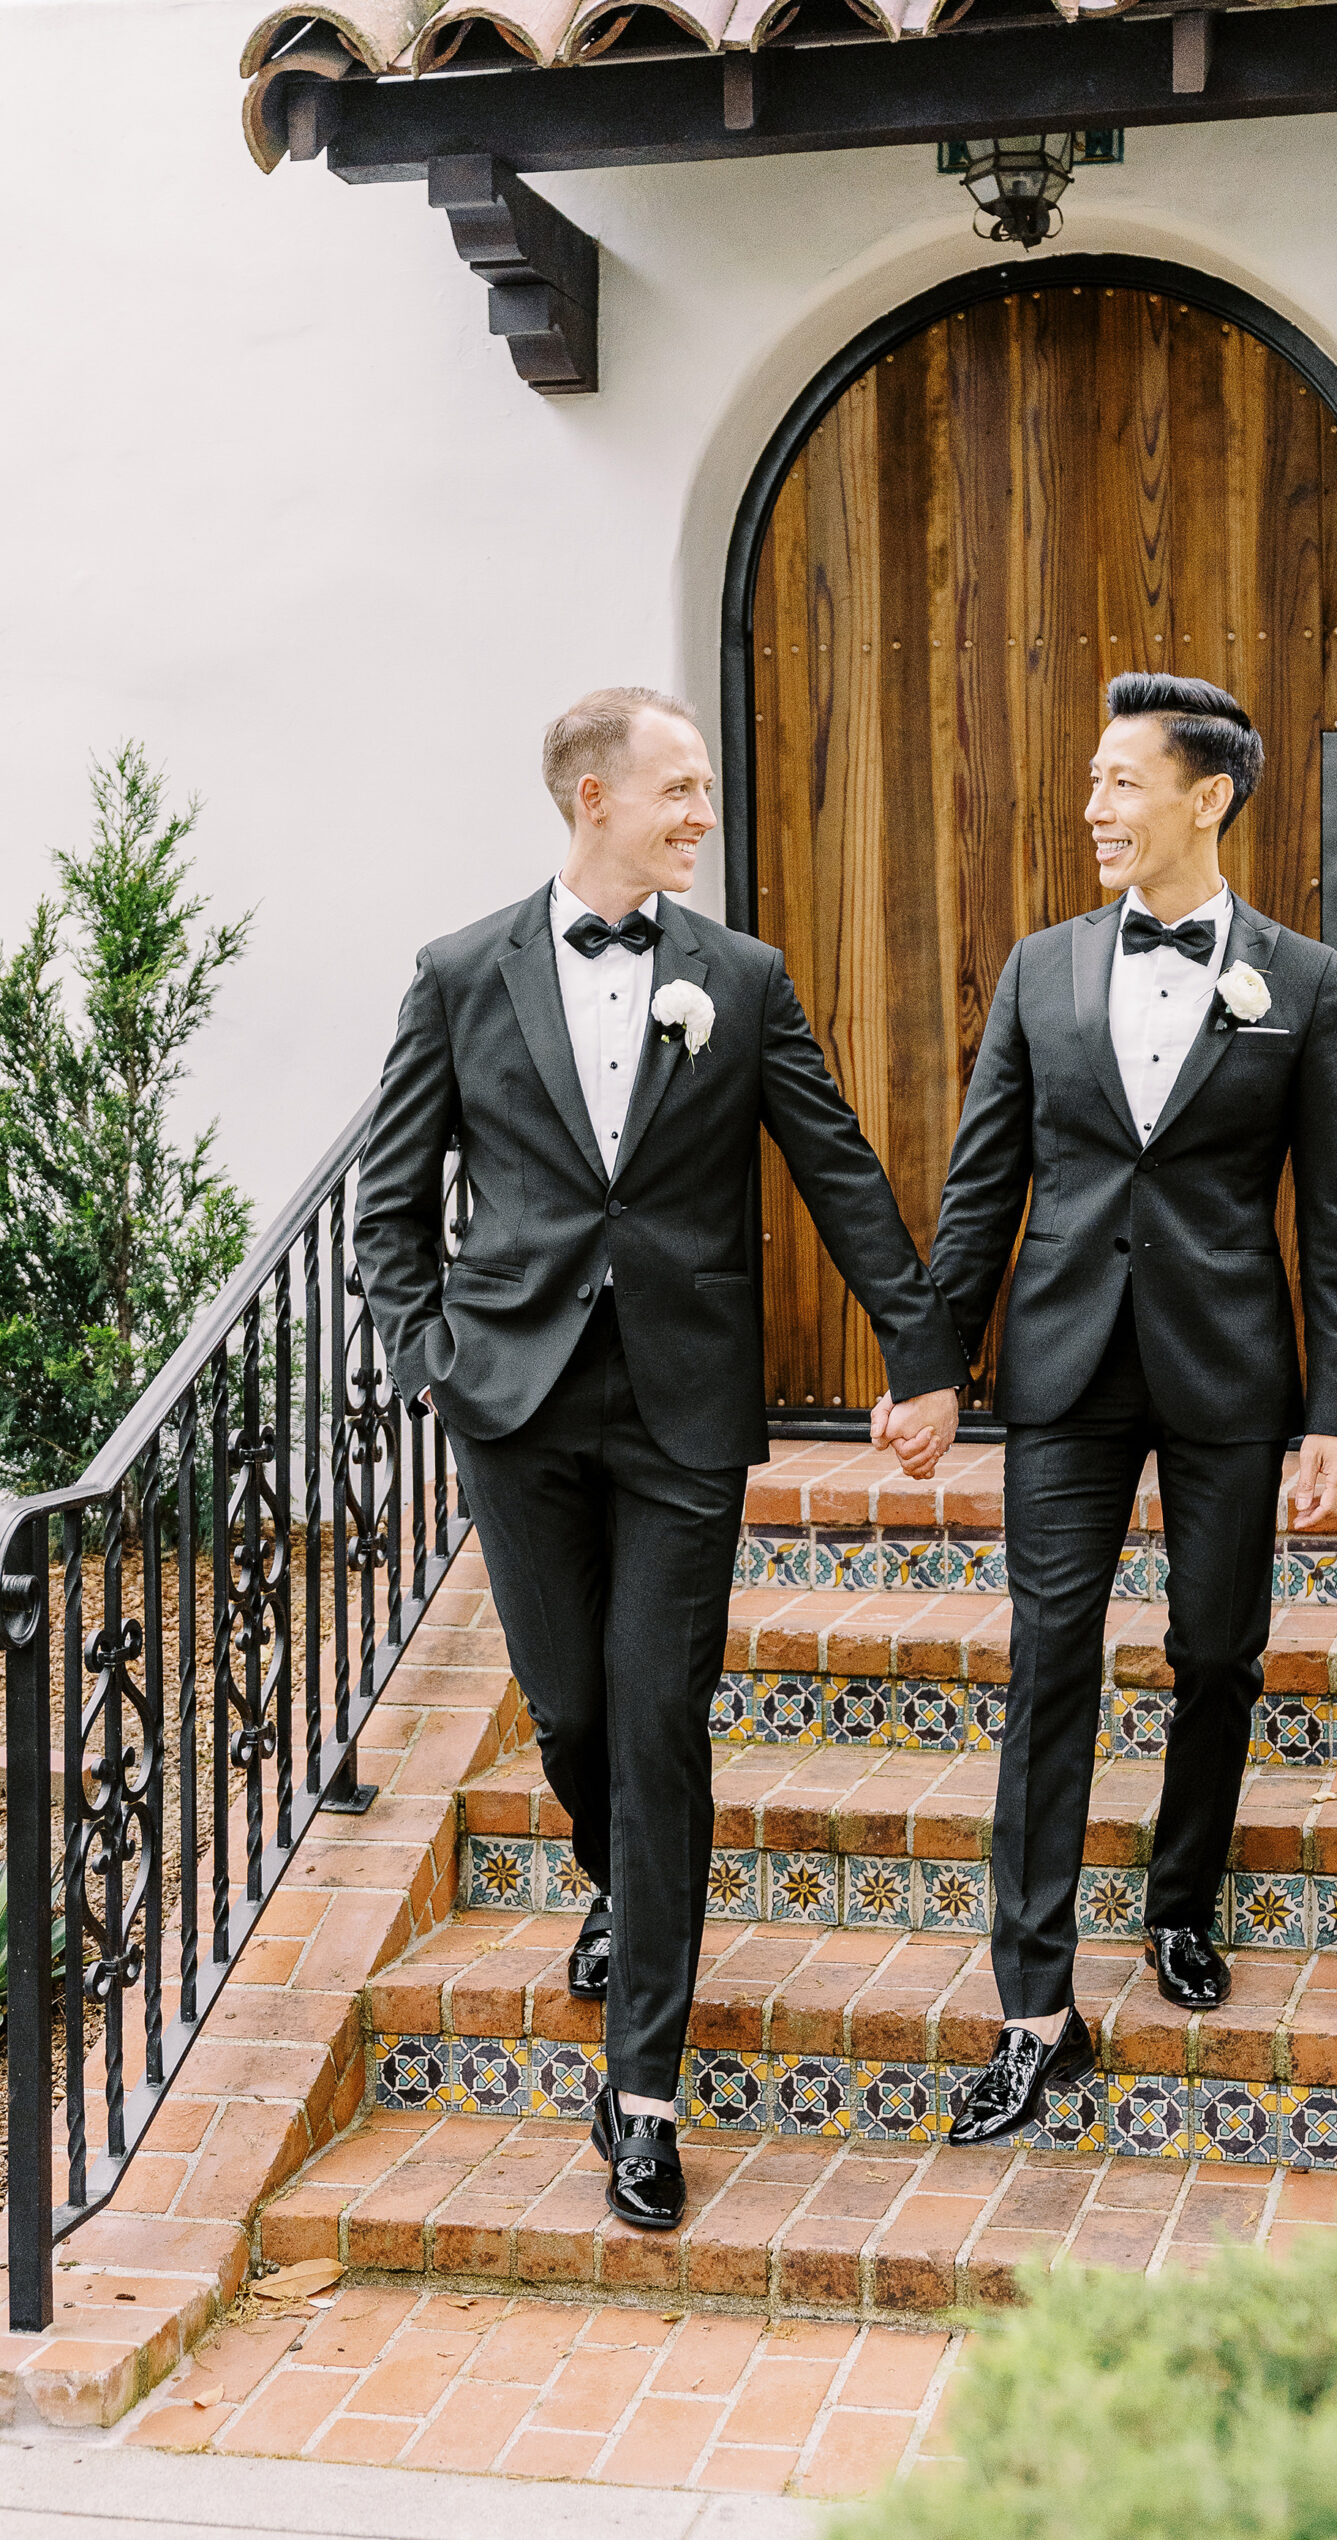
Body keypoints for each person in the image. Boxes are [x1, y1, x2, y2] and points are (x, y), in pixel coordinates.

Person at [354, 686, 964, 2227]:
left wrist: (924, 1353)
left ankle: (640, 2097)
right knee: (569, 1716)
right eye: (679, 789)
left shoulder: (741, 981)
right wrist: (433, 1359)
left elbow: (835, 1166)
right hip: (517, 1404)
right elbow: (390, 1201)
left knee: (658, 1719)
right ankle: (625, 1889)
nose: (703, 811)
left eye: (702, 789)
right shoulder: (459, 973)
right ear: (592, 802)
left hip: (685, 1412)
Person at [874, 670, 1337, 2146]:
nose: (1093, 807)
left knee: (1219, 1651)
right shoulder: (1039, 971)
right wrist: (933, 1363)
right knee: (1049, 1664)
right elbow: (981, 1191)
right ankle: (1035, 2004)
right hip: (1065, 1367)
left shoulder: (1306, 981)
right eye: (1091, 784)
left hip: (1231, 1370)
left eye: (1119, 782)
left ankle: (1184, 1901)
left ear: (1205, 796)